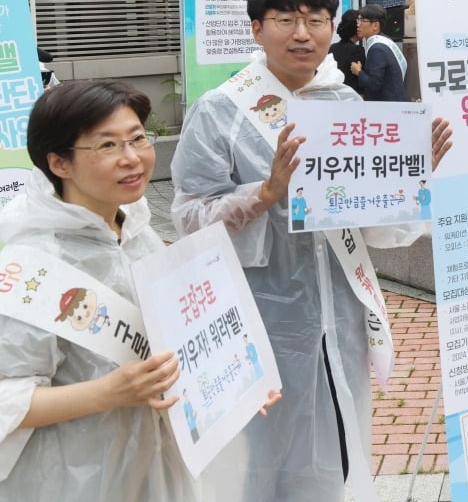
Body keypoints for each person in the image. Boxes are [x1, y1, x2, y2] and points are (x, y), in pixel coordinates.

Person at [171, 0, 451, 501]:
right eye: (285, 20)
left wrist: (412, 177)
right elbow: (186, 218)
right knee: (259, 457)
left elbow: (370, 218)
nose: (303, 34)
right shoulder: (222, 111)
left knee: (336, 445)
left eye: (316, 20)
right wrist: (264, 195)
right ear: (257, 29)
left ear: (332, 28)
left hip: (338, 315)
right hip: (260, 317)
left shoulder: (345, 105)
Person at [0, 80, 269, 500]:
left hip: (153, 463)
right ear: (59, 163)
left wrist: (235, 382)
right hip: (73, 475)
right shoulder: (33, 263)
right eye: (107, 146)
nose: (133, 159)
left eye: (138, 139)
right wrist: (109, 392)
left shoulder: (135, 227)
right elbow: (8, 399)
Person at [351, 4, 409, 102]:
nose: (358, 24)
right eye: (358, 20)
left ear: (375, 25)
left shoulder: (377, 49)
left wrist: (358, 72)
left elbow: (374, 84)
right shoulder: (384, 41)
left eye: (362, 21)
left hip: (389, 107)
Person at [329, 9, 365, 94]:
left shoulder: (332, 48)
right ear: (357, 28)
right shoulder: (358, 50)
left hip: (334, 95)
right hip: (352, 97)